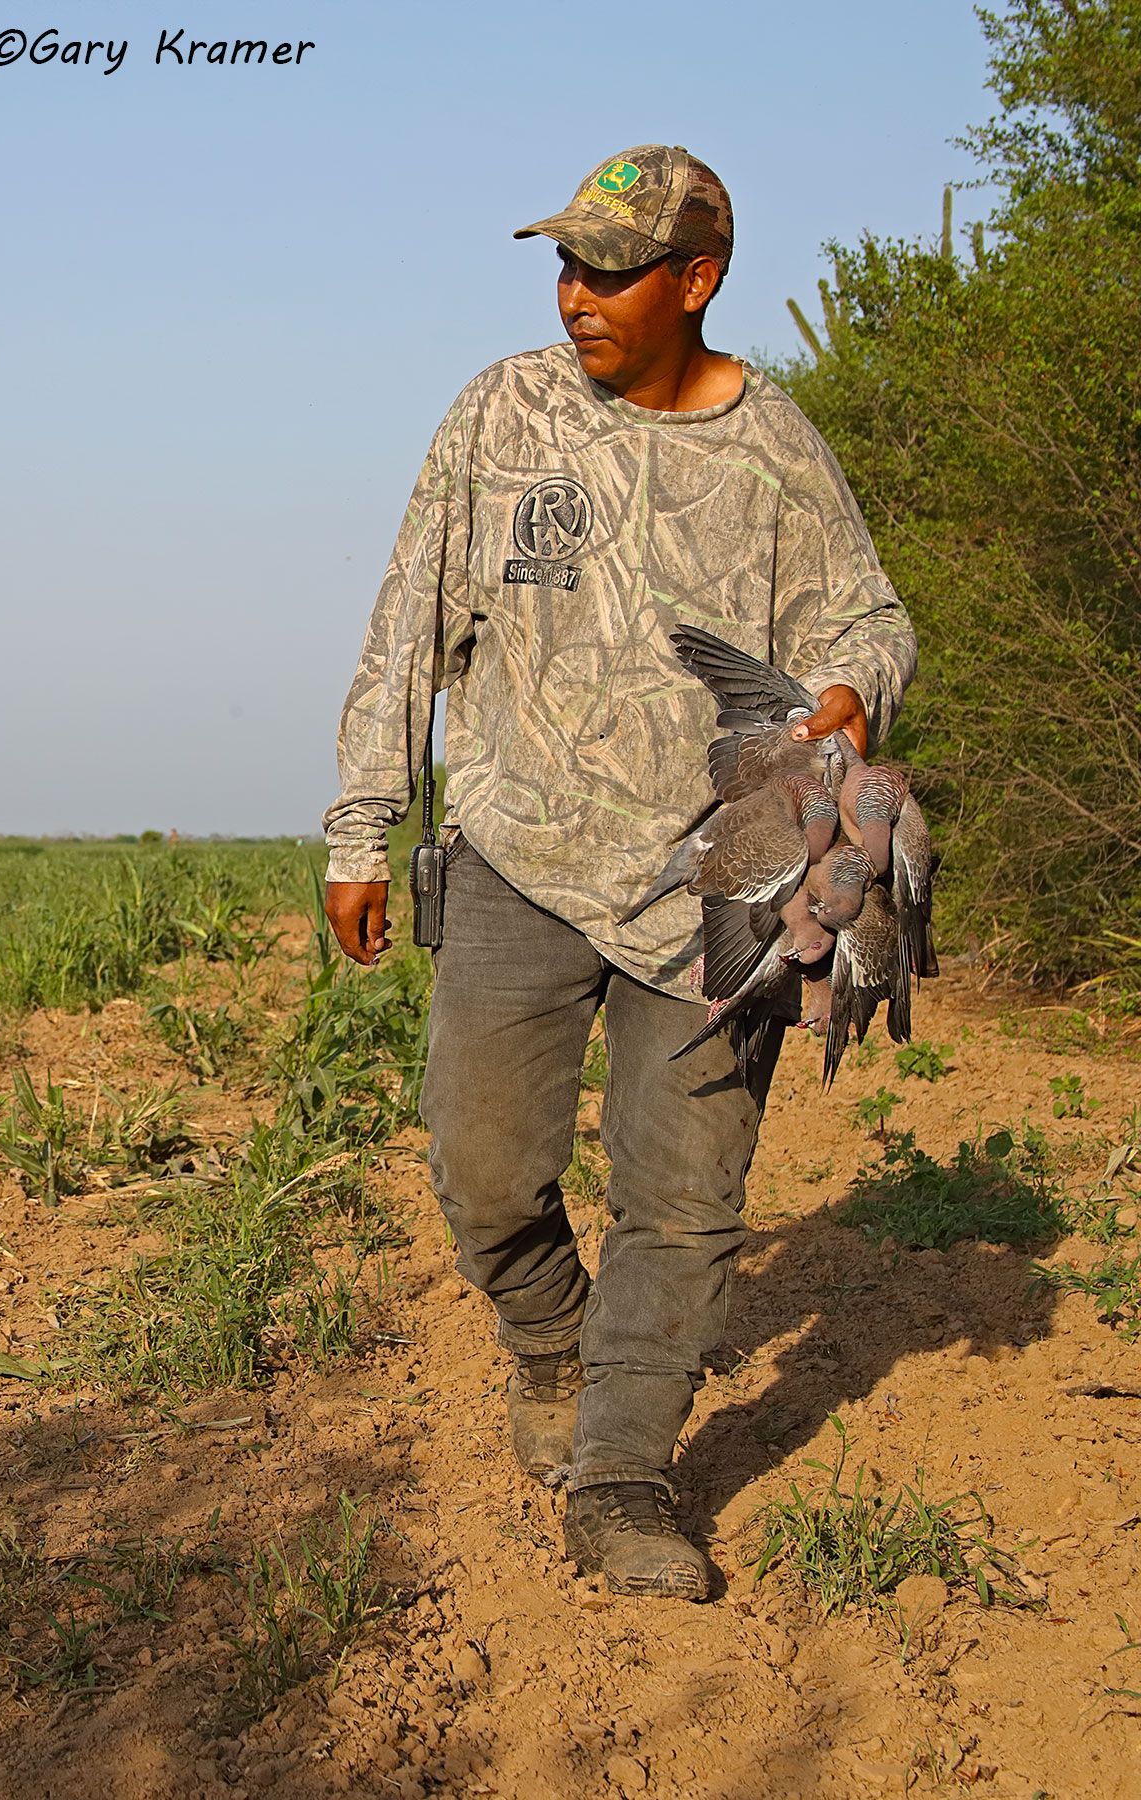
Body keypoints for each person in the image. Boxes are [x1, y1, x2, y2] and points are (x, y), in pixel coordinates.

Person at [323, 145, 916, 1600]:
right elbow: (412, 623)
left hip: (725, 889)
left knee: (685, 1200)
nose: (575, 294)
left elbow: (872, 620)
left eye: (611, 269)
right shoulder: (503, 410)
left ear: (697, 282)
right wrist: (361, 821)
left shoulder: (777, 448)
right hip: (521, 854)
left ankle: (625, 1474)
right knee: (481, 1161)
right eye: (567, 265)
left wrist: (847, 696)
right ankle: (548, 1341)